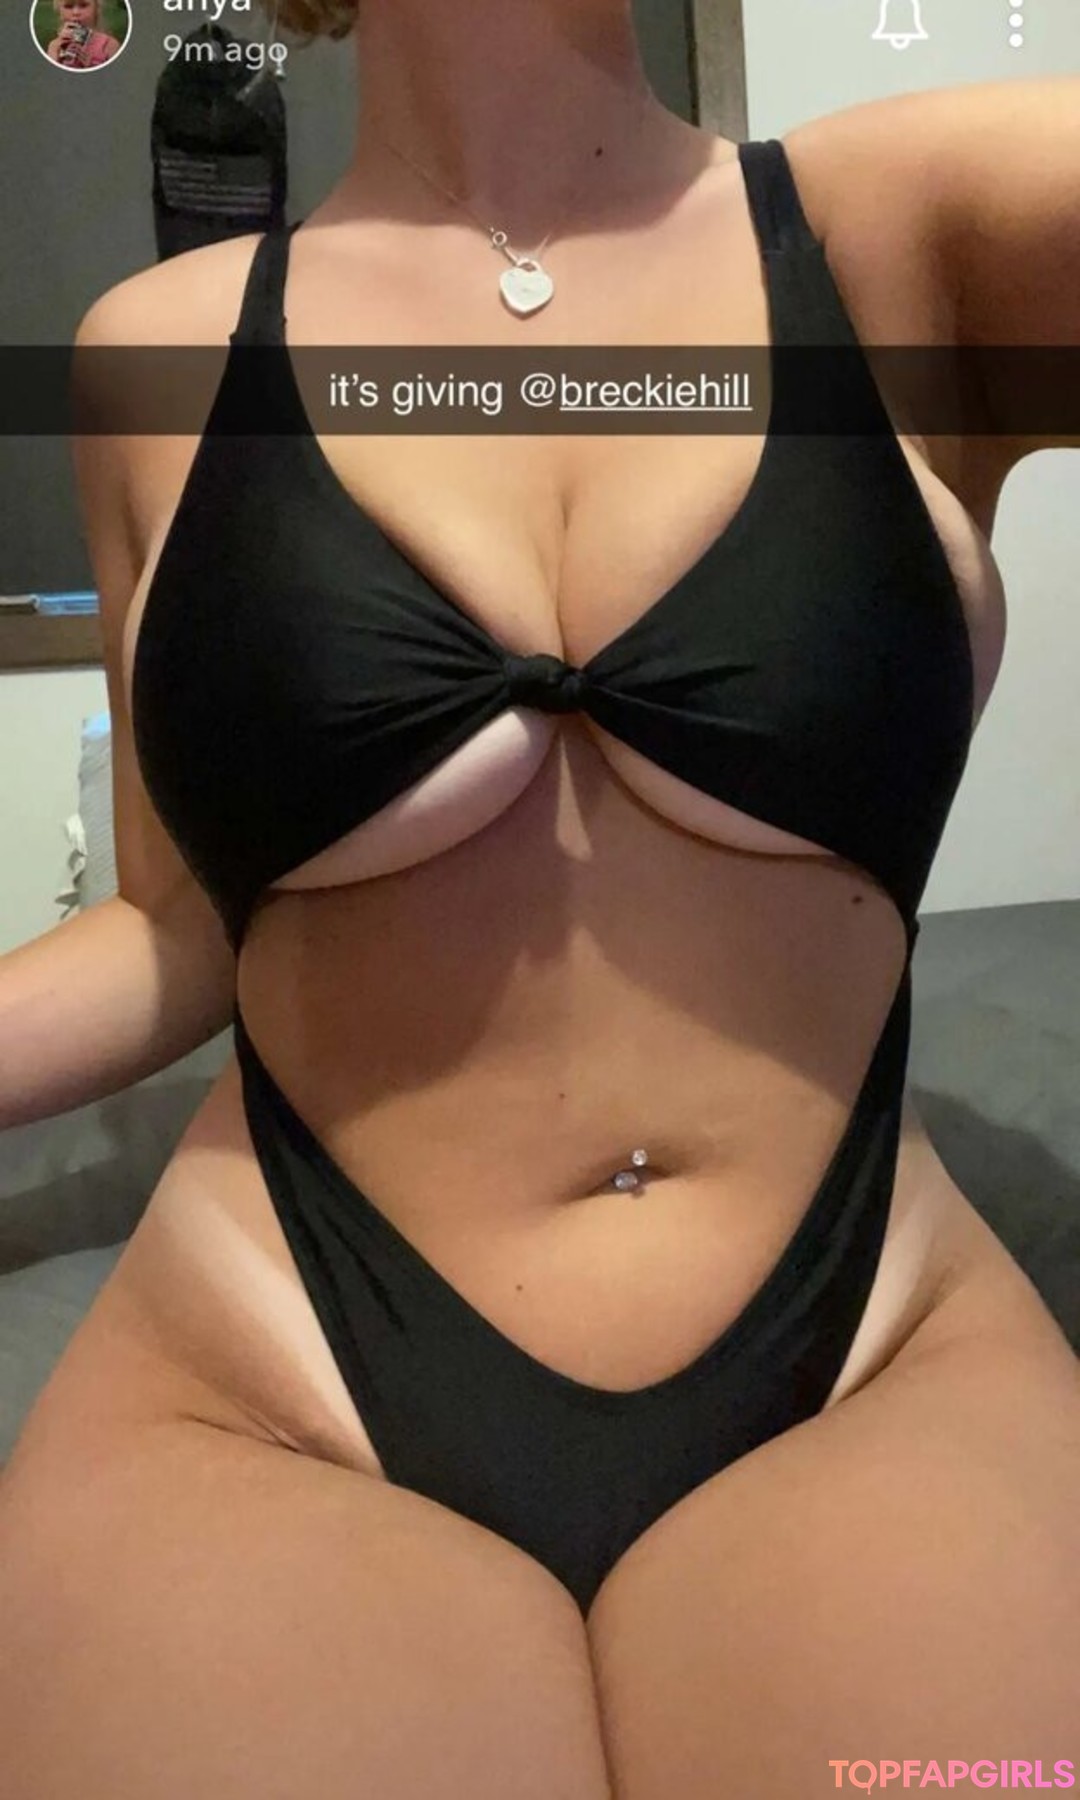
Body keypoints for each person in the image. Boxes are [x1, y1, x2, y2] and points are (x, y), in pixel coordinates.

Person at [2, 2, 1078, 1794]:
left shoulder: (908, 233)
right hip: (274, 1382)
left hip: (865, 1347)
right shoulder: (155, 357)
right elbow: (182, 925)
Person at [45, 0, 120, 68]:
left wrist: (91, 67)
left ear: (96, 9)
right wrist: (56, 58)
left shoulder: (108, 45)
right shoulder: (55, 46)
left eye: (83, 5)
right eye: (68, 6)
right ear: (59, 12)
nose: (76, 12)